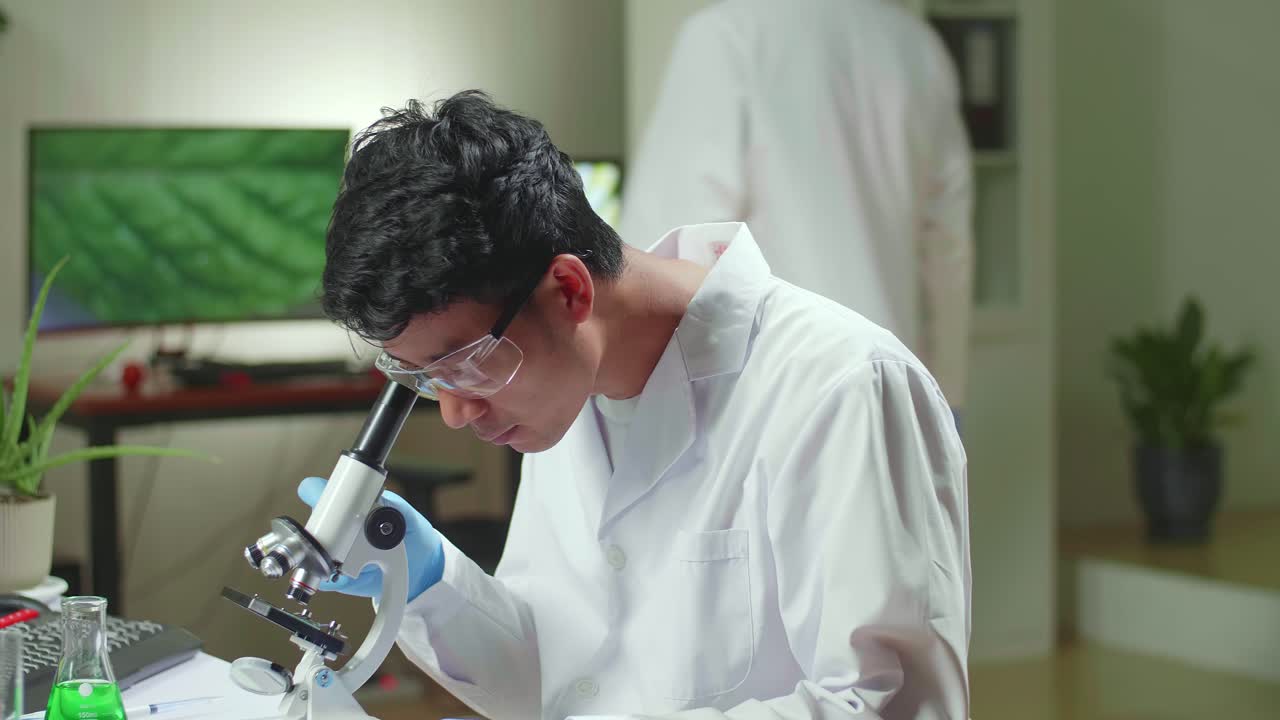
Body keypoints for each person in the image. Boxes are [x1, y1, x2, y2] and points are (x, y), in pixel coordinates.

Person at [302, 91, 970, 720]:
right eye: (421, 376)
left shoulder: (842, 385)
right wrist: (427, 582)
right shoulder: (562, 389)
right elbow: (563, 676)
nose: (455, 412)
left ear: (568, 291)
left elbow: (890, 706)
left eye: (467, 364)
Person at [621, 0, 975, 411]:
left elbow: (667, 254)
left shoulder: (727, 37)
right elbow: (948, 254)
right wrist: (946, 402)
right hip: (892, 386)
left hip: (772, 402)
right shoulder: (918, 49)